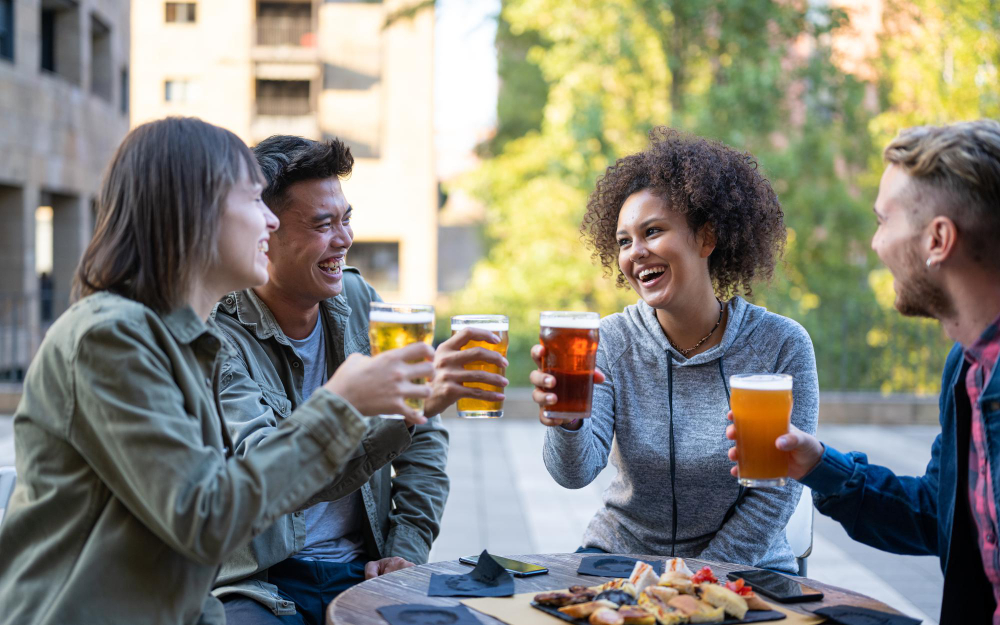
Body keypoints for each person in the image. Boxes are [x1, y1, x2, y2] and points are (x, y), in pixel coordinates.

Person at [0, 117, 433, 624]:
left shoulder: (180, 339)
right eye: (253, 202)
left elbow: (191, 559)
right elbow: (206, 519)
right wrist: (343, 405)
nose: (270, 223)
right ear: (194, 215)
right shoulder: (110, 339)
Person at [212, 135, 509, 624]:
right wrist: (387, 411)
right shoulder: (219, 338)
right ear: (264, 231)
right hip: (259, 582)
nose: (344, 239)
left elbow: (423, 442)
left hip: (361, 569)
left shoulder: (360, 300)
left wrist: (405, 550)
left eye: (345, 218)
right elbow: (269, 474)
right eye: (323, 224)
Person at [727, 119, 1000, 623]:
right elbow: (935, 517)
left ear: (938, 239)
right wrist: (817, 466)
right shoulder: (965, 370)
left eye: (883, 222)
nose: (875, 245)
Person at [530, 128, 819, 573]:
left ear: (707, 238)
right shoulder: (609, 341)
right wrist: (566, 423)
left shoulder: (781, 344)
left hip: (743, 569)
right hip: (621, 560)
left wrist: (692, 584)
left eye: (652, 232)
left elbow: (775, 495)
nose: (635, 253)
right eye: (624, 241)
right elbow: (574, 474)